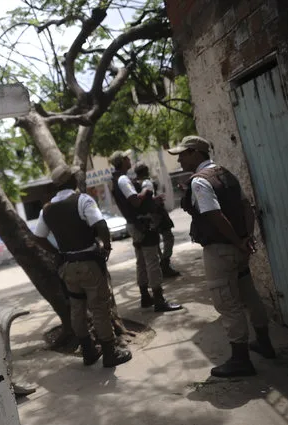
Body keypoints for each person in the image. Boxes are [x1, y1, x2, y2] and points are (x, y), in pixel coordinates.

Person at [168, 135, 275, 377]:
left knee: (227, 303)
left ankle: (241, 360)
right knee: (249, 295)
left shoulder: (199, 181)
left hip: (221, 250)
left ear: (196, 153)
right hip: (238, 248)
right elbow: (246, 206)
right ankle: (264, 343)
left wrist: (237, 241)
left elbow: (213, 214)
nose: (180, 159)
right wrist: (247, 237)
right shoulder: (225, 174)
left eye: (183, 154)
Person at [34, 164, 132, 368]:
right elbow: (101, 225)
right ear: (73, 181)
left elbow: (39, 237)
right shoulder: (83, 200)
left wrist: (57, 252)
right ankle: (109, 351)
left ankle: (88, 351)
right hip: (89, 264)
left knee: (77, 308)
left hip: (67, 267)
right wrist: (106, 246)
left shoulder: (47, 209)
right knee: (99, 308)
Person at [109, 150, 182, 312]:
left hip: (136, 225)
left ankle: (145, 296)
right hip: (142, 225)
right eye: (127, 158)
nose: (130, 160)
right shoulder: (122, 179)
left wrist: (150, 200)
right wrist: (146, 191)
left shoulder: (117, 179)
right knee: (152, 261)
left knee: (141, 261)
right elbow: (135, 201)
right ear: (122, 161)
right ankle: (159, 299)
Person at [133, 162, 181, 277]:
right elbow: (146, 197)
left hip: (149, 216)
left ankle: (163, 264)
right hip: (156, 213)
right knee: (168, 238)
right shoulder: (146, 182)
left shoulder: (134, 184)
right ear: (146, 172)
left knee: (157, 241)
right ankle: (164, 263)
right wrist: (155, 200)